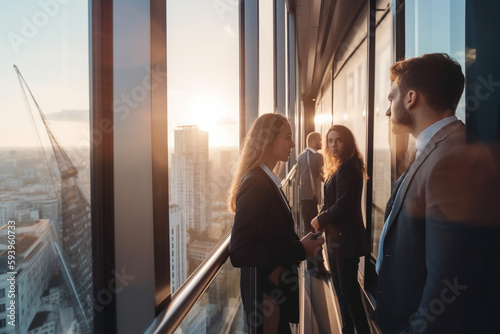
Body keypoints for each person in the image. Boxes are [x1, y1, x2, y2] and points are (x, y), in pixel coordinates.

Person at [375, 53, 500, 333]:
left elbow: (448, 284)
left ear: (410, 98)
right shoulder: (434, 149)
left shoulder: (452, 158)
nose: (387, 110)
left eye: (391, 98)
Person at [228, 113, 325, 334]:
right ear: (267, 140)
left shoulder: (265, 179)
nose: (292, 144)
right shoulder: (256, 184)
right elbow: (240, 252)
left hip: (271, 295)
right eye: (287, 137)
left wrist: (299, 245)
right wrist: (300, 249)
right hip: (265, 299)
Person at [311, 125, 371, 334]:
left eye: (338, 140)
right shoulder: (341, 165)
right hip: (338, 238)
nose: (333, 145)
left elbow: (344, 205)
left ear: (347, 142)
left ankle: (362, 330)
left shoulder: (347, 166)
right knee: (342, 289)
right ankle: (347, 329)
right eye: (330, 140)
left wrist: (320, 218)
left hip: (346, 240)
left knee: (349, 292)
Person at [296, 132, 329, 277]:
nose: (322, 142)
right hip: (313, 200)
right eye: (320, 140)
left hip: (303, 199)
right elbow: (325, 177)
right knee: (317, 232)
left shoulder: (300, 156)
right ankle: (320, 267)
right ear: (314, 140)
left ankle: (310, 264)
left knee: (308, 231)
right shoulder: (318, 157)